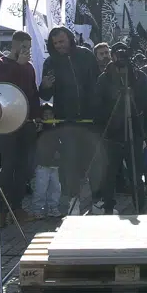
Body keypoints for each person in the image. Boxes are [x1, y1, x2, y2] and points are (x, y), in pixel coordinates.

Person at [40, 25, 100, 214]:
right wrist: (45, 86)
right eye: (55, 43)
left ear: (70, 39)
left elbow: (97, 82)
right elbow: (45, 94)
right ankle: (73, 202)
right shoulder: (50, 63)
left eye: (62, 41)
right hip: (66, 121)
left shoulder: (86, 55)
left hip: (90, 119)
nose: (59, 46)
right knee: (71, 162)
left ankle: (96, 202)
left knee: (93, 161)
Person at [93, 42, 147, 214]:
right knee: (109, 175)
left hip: (134, 132)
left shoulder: (138, 76)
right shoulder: (104, 78)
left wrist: (145, 132)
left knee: (136, 176)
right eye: (118, 54)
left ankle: (140, 208)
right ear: (112, 56)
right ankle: (108, 208)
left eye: (124, 54)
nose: (121, 58)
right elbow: (97, 106)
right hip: (111, 134)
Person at [0, 31, 41, 216]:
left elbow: (33, 93)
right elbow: (2, 84)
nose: (27, 50)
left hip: (26, 121)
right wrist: (18, 65)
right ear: (15, 45)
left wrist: (37, 116)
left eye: (29, 47)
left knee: (24, 165)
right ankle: (2, 207)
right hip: (7, 121)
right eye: (24, 47)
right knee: (9, 164)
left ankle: (17, 205)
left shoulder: (29, 67)